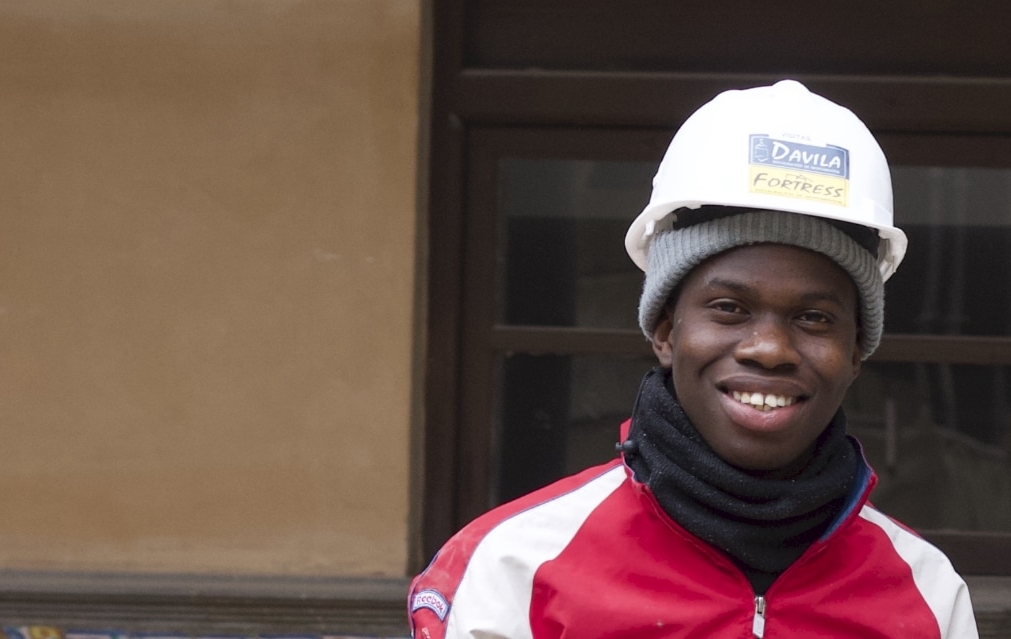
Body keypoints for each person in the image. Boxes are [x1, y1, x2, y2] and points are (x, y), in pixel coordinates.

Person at [408, 80, 977, 638]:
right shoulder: (516, 570)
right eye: (729, 307)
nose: (770, 349)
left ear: (856, 350)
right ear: (663, 328)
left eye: (814, 318)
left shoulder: (926, 594)